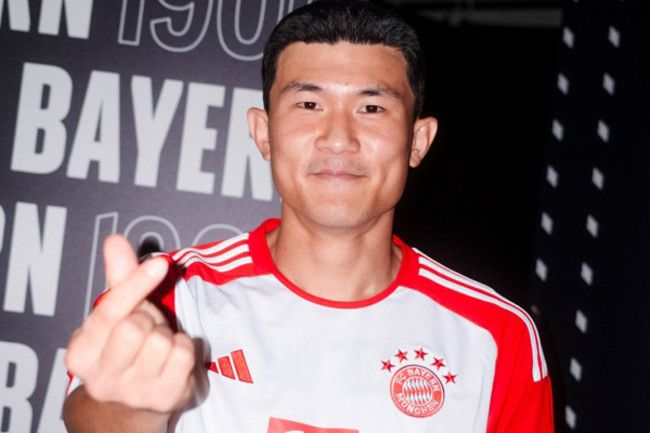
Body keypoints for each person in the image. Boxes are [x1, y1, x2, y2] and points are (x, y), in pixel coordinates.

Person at [63, 1, 555, 432]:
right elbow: (93, 417)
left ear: (418, 141)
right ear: (263, 133)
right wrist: (131, 411)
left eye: (371, 108)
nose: (338, 138)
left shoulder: (496, 336)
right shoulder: (172, 298)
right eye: (309, 103)